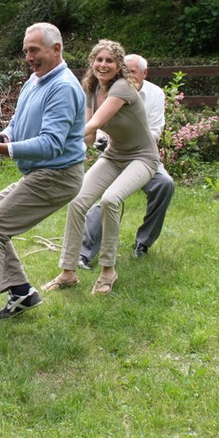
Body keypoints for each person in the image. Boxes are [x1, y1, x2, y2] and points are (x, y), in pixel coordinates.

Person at [0, 22, 86, 344]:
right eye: (26, 52)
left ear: (56, 49)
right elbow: (18, 123)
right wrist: (2, 135)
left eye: (34, 50)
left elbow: (51, 144)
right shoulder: (35, 82)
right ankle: (22, 292)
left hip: (58, 176)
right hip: (42, 173)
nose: (29, 58)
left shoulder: (63, 87)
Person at [42, 40, 160, 296]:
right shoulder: (91, 88)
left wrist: (55, 140)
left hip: (143, 158)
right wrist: (69, 155)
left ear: (119, 66)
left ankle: (108, 269)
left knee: (110, 200)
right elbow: (86, 134)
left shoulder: (123, 88)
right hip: (115, 154)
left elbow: (96, 122)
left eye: (109, 61)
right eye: (99, 60)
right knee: (77, 201)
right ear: (92, 63)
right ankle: (68, 271)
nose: (103, 65)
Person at [78, 54, 174, 267]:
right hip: (114, 152)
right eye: (125, 70)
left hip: (143, 154)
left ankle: (143, 243)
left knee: (164, 184)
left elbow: (155, 132)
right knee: (106, 196)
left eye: (133, 72)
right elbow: (96, 125)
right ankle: (85, 251)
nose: (127, 75)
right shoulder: (107, 90)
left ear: (144, 73)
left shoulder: (155, 94)